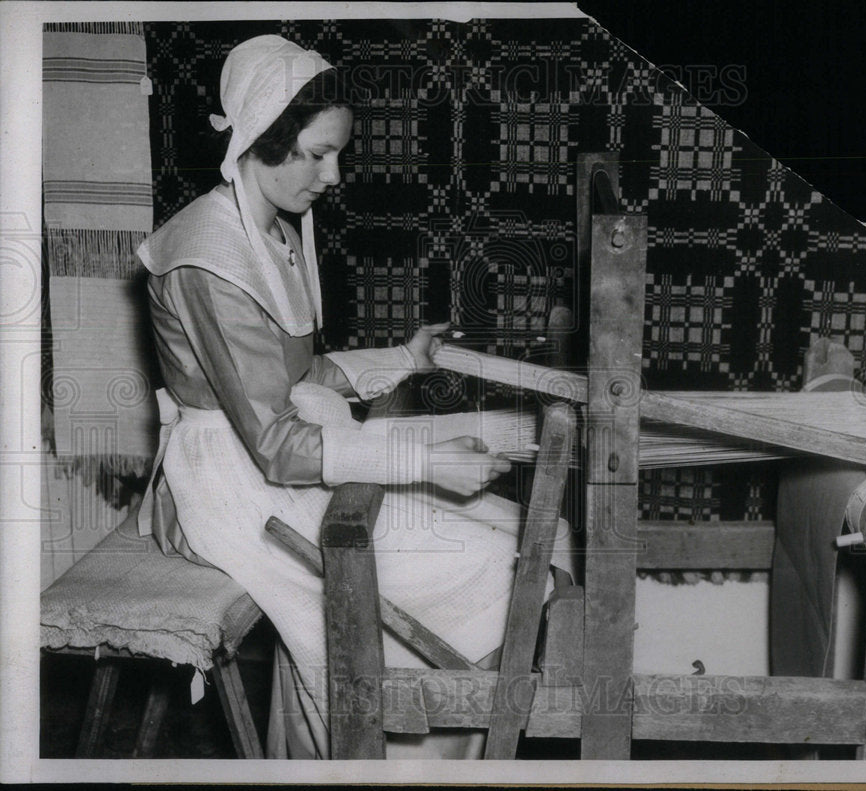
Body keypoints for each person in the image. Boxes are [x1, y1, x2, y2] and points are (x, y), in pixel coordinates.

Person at [136, 34, 569, 759]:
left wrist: (403, 357)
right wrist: (423, 463)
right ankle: (384, 757)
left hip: (279, 454)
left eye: (337, 153)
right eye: (316, 153)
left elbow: (297, 378)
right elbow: (274, 444)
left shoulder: (267, 228)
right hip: (228, 484)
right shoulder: (207, 259)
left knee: (514, 533)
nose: (332, 175)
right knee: (496, 567)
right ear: (261, 141)